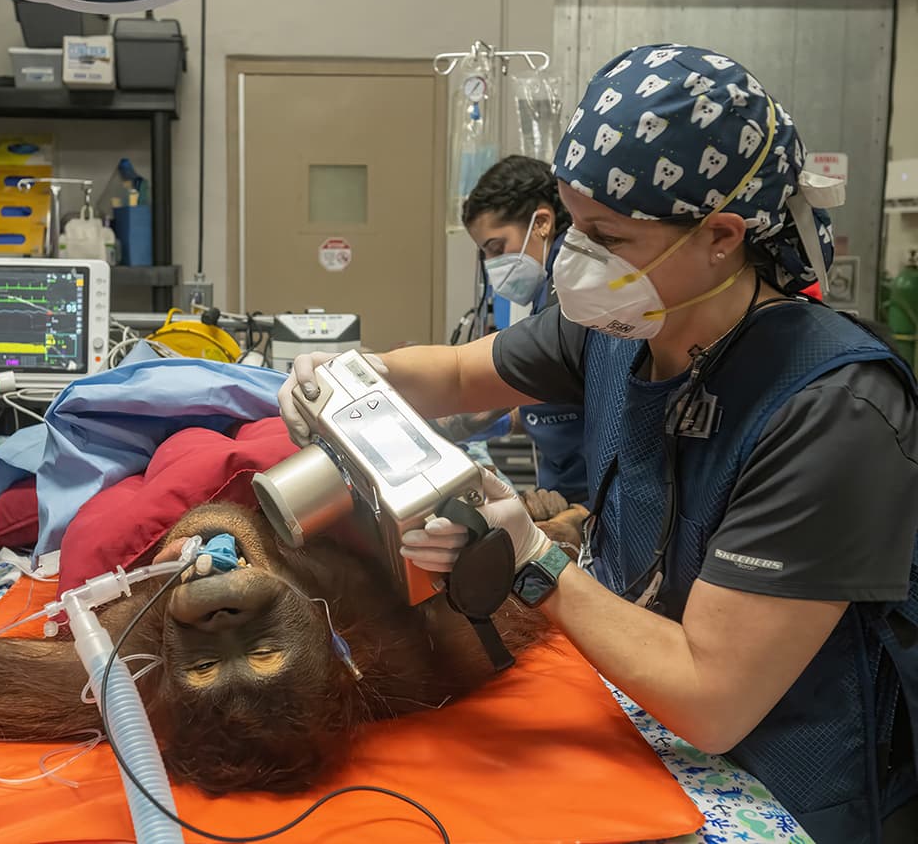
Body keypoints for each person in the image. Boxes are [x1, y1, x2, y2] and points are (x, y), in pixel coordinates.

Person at [279, 44, 918, 843]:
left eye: (606, 236)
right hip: (637, 731)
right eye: (571, 225)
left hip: (778, 788)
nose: (574, 261)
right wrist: (350, 375)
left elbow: (711, 695)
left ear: (720, 234)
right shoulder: (621, 325)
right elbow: (453, 376)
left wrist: (533, 561)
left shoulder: (834, 409)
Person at [462, 155, 588, 505]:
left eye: (497, 248)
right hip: (570, 484)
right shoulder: (550, 289)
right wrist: (502, 419)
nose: (492, 266)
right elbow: (558, 390)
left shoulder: (573, 291)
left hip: (589, 494)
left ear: (542, 223)